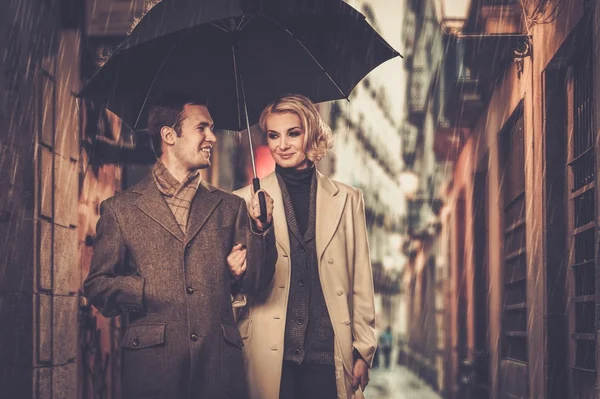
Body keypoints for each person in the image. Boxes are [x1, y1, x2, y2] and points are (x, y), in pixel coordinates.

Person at [83, 93, 277, 399]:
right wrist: (147, 289)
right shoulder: (120, 210)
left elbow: (257, 281)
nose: (212, 137)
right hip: (153, 369)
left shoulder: (231, 207)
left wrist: (261, 228)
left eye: (212, 128)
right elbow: (97, 287)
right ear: (169, 135)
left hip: (218, 368)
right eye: (202, 128)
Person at [229, 94, 376, 399]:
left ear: (311, 133)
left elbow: (361, 279)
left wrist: (363, 350)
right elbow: (242, 281)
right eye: (273, 135)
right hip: (269, 352)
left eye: (292, 133)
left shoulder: (348, 199)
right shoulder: (242, 200)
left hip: (328, 352)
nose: (282, 145)